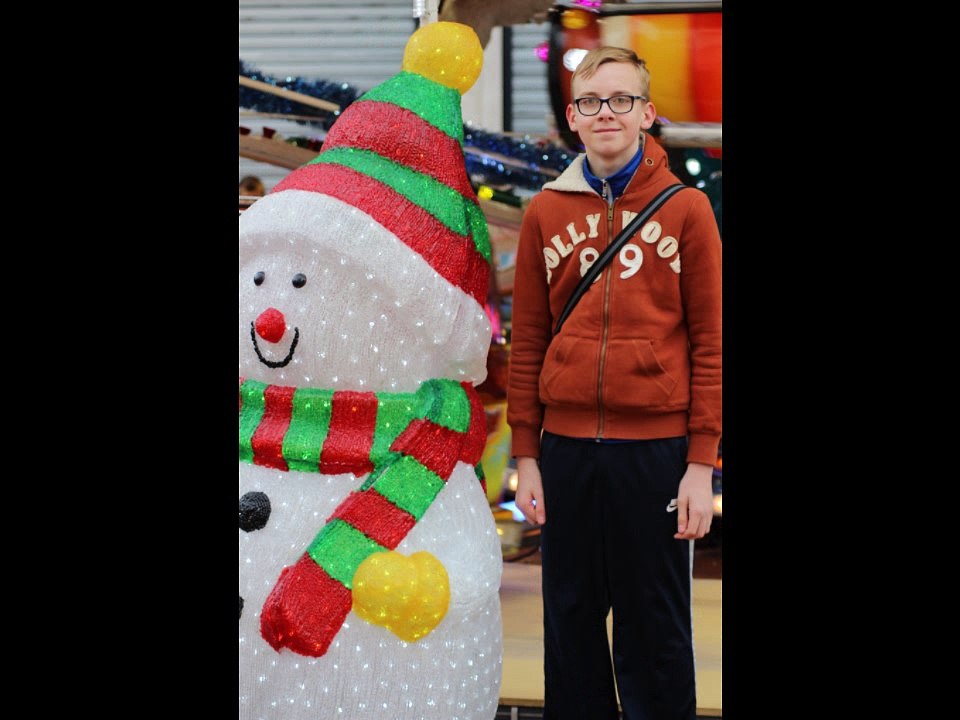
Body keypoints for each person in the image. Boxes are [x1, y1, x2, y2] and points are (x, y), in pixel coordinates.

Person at [506, 46, 721, 720]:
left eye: (622, 100)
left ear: (647, 113)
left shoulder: (686, 211)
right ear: (573, 116)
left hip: (654, 454)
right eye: (593, 101)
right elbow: (529, 339)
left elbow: (713, 342)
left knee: (653, 626)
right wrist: (526, 453)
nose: (608, 113)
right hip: (565, 452)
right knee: (568, 623)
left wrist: (699, 465)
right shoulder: (545, 211)